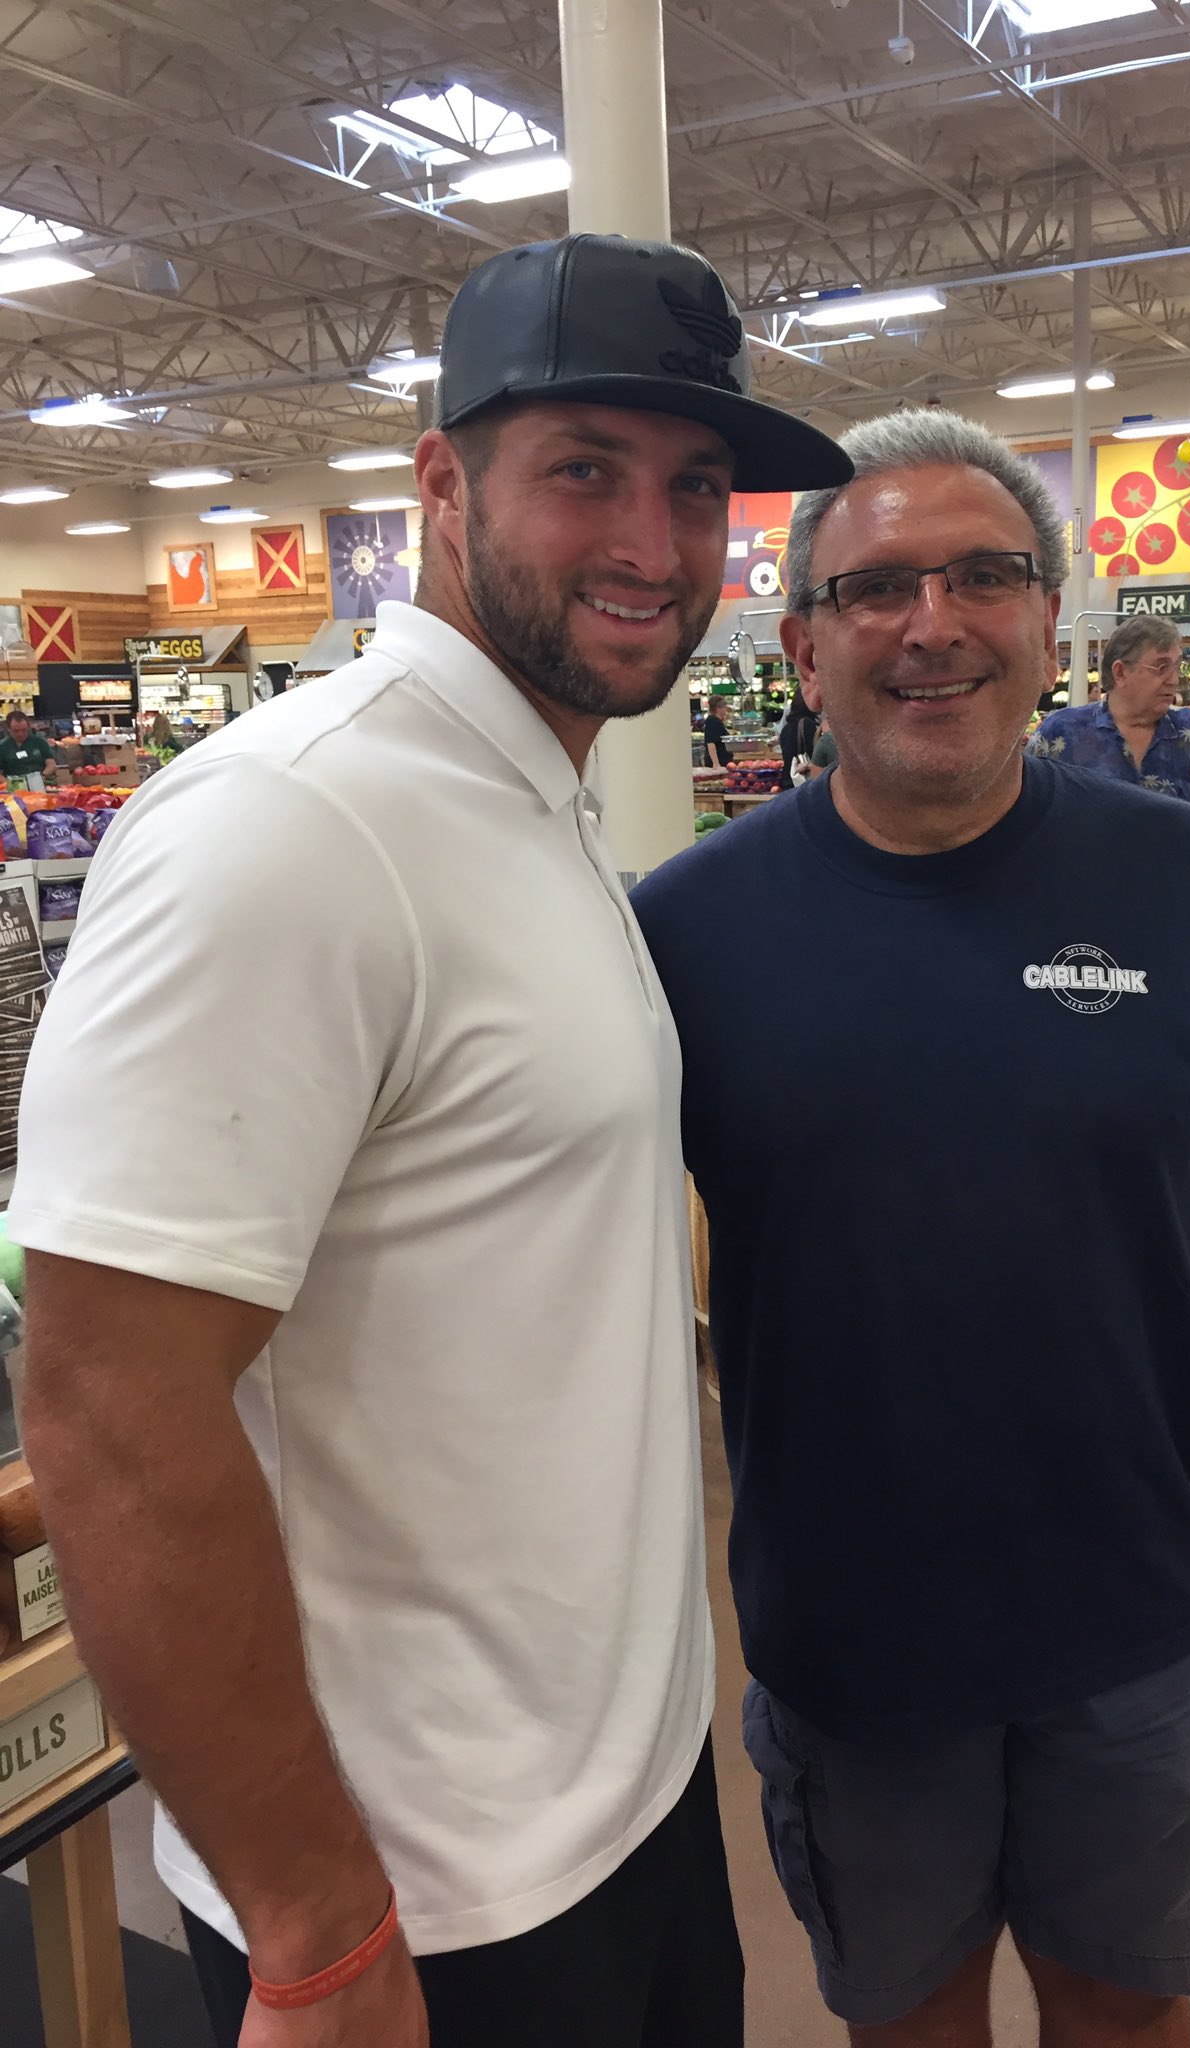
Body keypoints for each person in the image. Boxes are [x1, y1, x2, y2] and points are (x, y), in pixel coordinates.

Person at [9, 232, 850, 2048]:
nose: (651, 540)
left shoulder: (530, 805)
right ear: (440, 485)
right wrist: (316, 1924)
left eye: (696, 488)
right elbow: (106, 1411)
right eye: (583, 471)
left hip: (617, 1813)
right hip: (424, 1905)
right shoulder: (287, 830)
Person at [632, 408, 1190, 2048]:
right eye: (878, 586)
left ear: (1052, 625)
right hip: (850, 1631)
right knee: (907, 2022)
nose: (934, 622)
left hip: (1138, 1603)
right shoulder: (680, 934)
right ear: (802, 644)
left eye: (986, 575)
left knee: (1126, 2015)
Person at [1028, 615, 1190, 824]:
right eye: (1162, 667)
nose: (1174, 680)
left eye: (1177, 667)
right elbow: (1025, 808)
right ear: (1120, 672)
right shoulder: (1061, 731)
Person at [777, 682, 819, 789]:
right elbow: (814, 755)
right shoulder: (807, 724)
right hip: (802, 780)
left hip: (788, 780)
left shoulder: (786, 728)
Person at [0, 707, 57, 784]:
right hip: (14, 785)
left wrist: (41, 777)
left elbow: (51, 764)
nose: (20, 734)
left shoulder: (39, 741)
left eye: (24, 730)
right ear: (9, 729)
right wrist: (8, 784)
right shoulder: (2, 746)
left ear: (28, 727)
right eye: (16, 731)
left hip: (41, 783)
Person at [702, 694, 734, 768]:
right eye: (725, 707)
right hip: (718, 764)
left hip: (723, 762)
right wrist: (716, 763)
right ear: (718, 708)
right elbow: (711, 742)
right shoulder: (712, 721)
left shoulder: (717, 721)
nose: (726, 709)